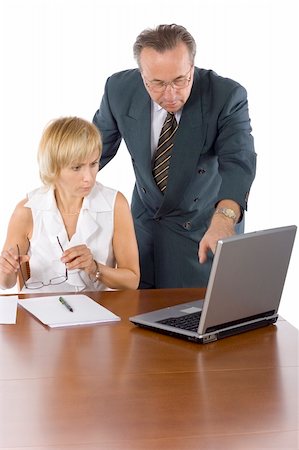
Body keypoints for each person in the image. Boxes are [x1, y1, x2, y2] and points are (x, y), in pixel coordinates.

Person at [93, 24, 257, 289]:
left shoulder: (226, 95)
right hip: (144, 229)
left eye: (180, 80)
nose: (170, 95)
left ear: (192, 67)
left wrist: (225, 218)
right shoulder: (119, 89)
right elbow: (93, 151)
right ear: (141, 75)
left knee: (196, 320)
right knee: (136, 321)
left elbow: (238, 160)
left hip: (204, 231)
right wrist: (53, 197)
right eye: (157, 83)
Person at [0, 117, 140, 292]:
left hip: (99, 314)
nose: (88, 177)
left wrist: (95, 268)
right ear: (53, 167)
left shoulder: (115, 204)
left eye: (93, 164)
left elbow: (132, 281)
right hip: (41, 313)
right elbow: (6, 283)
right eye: (76, 168)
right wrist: (6, 270)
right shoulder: (27, 210)